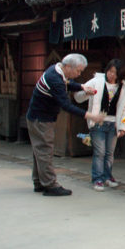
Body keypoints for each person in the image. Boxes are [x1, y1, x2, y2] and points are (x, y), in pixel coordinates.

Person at [26, 53, 103, 196]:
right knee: (45, 151)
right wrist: (91, 115)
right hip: (41, 119)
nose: (79, 74)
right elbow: (66, 105)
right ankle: (50, 185)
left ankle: (39, 182)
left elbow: (67, 83)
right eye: (78, 71)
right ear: (68, 66)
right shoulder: (54, 78)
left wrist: (81, 87)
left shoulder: (56, 70)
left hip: (38, 117)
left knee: (40, 151)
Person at [74, 59, 125, 191]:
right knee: (100, 152)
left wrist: (123, 127)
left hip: (113, 123)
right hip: (98, 122)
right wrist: (86, 92)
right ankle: (98, 179)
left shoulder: (124, 87)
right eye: (110, 71)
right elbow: (78, 97)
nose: (111, 74)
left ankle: (107, 176)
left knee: (109, 153)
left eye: (115, 73)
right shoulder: (97, 81)